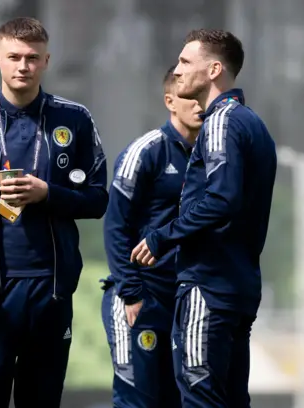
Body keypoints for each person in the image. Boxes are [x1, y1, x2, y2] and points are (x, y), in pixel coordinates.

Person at [0, 17, 108, 408]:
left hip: (50, 290)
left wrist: (48, 193)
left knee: (42, 402)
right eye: (15, 56)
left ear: (47, 60)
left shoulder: (74, 119)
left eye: (33, 58)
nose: (23, 66)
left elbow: (98, 198)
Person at [131, 29, 277, 407]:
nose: (177, 71)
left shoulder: (221, 122)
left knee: (201, 401)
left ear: (213, 70)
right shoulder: (253, 124)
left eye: (184, 62)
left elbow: (221, 200)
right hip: (239, 289)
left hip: (208, 287)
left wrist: (163, 236)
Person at [101, 65, 203, 408]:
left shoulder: (213, 155)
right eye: (189, 98)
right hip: (141, 297)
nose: (199, 105)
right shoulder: (145, 151)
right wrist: (131, 293)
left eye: (202, 97)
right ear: (169, 101)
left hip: (185, 300)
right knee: (137, 401)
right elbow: (116, 226)